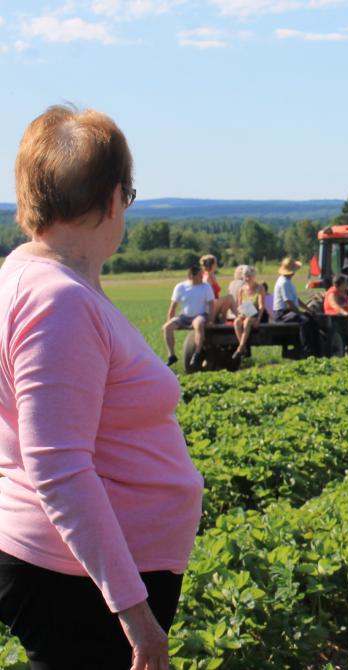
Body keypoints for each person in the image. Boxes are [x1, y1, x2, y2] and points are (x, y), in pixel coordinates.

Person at [0, 105, 203, 669]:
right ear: (114, 198)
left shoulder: (37, 278)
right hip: (83, 581)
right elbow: (59, 466)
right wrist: (134, 611)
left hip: (82, 571)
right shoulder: (55, 300)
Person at [162, 263, 214, 368]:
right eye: (200, 275)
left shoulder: (206, 287)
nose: (202, 277)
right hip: (184, 316)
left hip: (200, 315)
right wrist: (169, 320)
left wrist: (211, 320)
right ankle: (171, 355)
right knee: (167, 327)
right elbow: (173, 306)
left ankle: (197, 354)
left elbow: (211, 305)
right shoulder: (180, 287)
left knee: (198, 324)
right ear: (191, 276)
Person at [273, 257, 322, 357]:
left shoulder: (288, 281)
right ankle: (307, 351)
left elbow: (296, 299)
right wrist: (299, 313)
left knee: (311, 319)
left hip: (289, 312)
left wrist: (307, 310)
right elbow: (289, 302)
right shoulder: (284, 282)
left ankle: (317, 350)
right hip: (282, 314)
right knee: (305, 321)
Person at [232, 266, 266, 360]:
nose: (247, 278)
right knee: (237, 322)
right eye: (245, 276)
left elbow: (261, 305)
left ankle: (240, 349)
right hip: (245, 313)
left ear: (254, 276)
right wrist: (240, 314)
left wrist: (259, 318)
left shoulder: (260, 288)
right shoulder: (241, 290)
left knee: (247, 322)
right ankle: (244, 347)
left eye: (249, 276)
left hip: (256, 314)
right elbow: (239, 305)